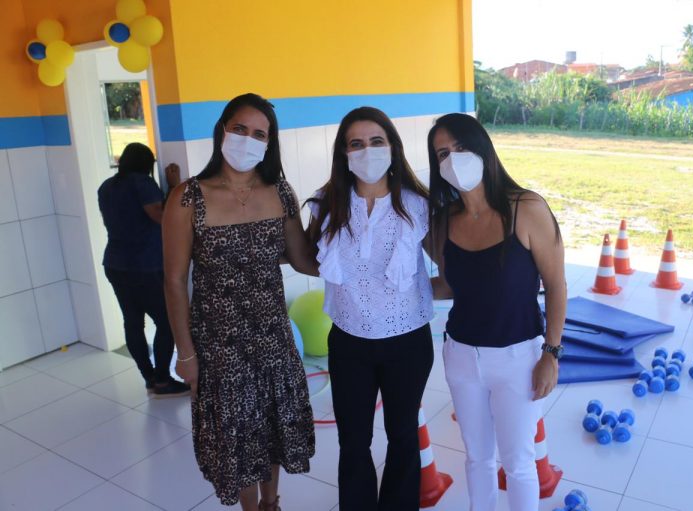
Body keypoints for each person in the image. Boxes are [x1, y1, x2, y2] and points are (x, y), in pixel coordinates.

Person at [163, 93, 317, 511]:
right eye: (240, 129)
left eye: (259, 134)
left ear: (269, 143)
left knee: (271, 426)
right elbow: (174, 281)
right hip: (218, 344)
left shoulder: (279, 192)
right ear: (222, 131)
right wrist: (186, 354)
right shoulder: (188, 198)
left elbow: (303, 260)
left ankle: (272, 503)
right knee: (236, 436)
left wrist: (356, 255)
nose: (248, 140)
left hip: (273, 337)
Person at [426, 113, 566, 511]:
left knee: (518, 463)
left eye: (461, 147)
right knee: (477, 458)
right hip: (461, 357)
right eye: (443, 153)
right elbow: (452, 284)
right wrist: (397, 292)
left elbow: (556, 285)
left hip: (518, 359)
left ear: (483, 147)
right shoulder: (443, 222)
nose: (453, 159)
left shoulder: (526, 208)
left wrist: (551, 354)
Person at [306, 106, 434, 511]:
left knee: (403, 436)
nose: (367, 151)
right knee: (353, 441)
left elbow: (450, 265)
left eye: (376, 141)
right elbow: (308, 257)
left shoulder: (418, 204)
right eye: (356, 144)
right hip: (349, 342)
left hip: (408, 341)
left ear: (393, 147)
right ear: (343, 153)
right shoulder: (326, 203)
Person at [98, 143, 189, 397]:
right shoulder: (142, 183)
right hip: (144, 266)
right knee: (167, 322)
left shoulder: (106, 187)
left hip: (115, 264)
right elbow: (162, 217)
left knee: (133, 322)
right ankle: (162, 380)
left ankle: (149, 377)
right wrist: (174, 186)